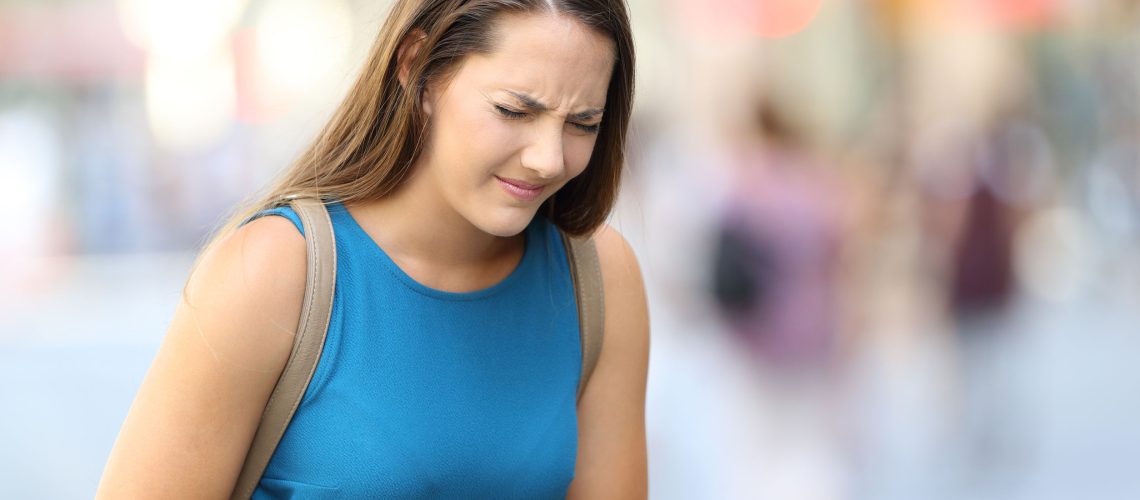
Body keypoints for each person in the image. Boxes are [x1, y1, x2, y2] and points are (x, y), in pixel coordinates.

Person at [96, 0, 649, 498]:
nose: (549, 159)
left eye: (583, 123)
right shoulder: (276, 270)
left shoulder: (598, 279)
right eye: (514, 111)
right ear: (418, 67)